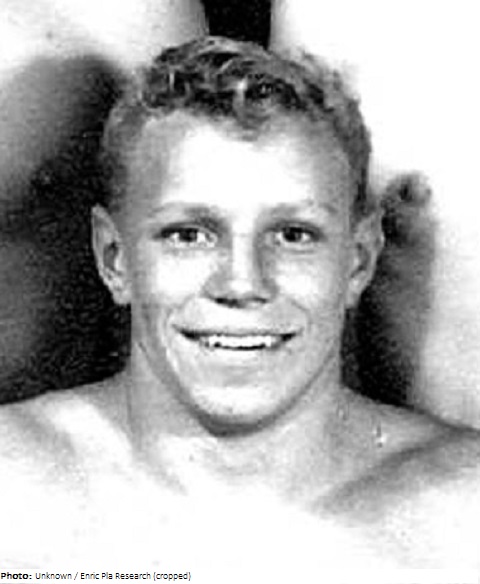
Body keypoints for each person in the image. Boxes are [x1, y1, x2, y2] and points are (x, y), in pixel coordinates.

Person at [1, 36, 480, 577]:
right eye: (188, 235)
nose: (242, 283)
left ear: (358, 261)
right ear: (114, 258)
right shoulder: (11, 495)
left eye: (294, 235)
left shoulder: (465, 515)